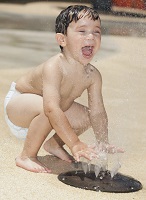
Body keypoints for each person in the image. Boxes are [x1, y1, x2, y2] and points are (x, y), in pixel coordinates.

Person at [4, 5, 123, 173]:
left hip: (49, 113)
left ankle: (54, 144)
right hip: (19, 107)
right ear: (62, 40)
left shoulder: (93, 75)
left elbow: (97, 112)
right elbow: (51, 108)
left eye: (97, 32)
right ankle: (26, 156)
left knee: (87, 116)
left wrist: (102, 141)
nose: (91, 36)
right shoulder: (55, 66)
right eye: (82, 31)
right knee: (48, 107)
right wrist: (74, 143)